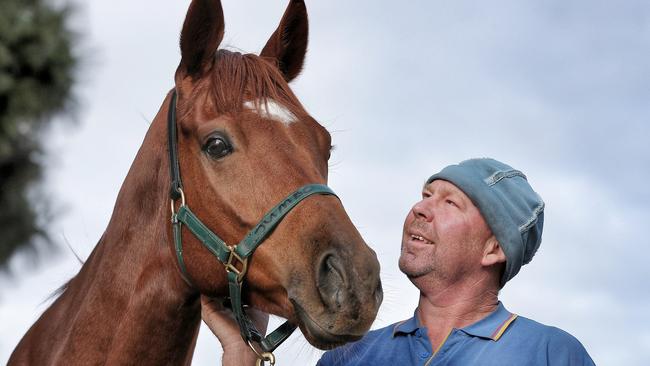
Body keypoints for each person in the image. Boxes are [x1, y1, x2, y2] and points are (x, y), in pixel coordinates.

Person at [202, 158, 595, 365]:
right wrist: (243, 354)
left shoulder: (551, 354)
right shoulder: (350, 358)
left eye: (449, 202)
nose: (420, 208)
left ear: (493, 249)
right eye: (425, 194)